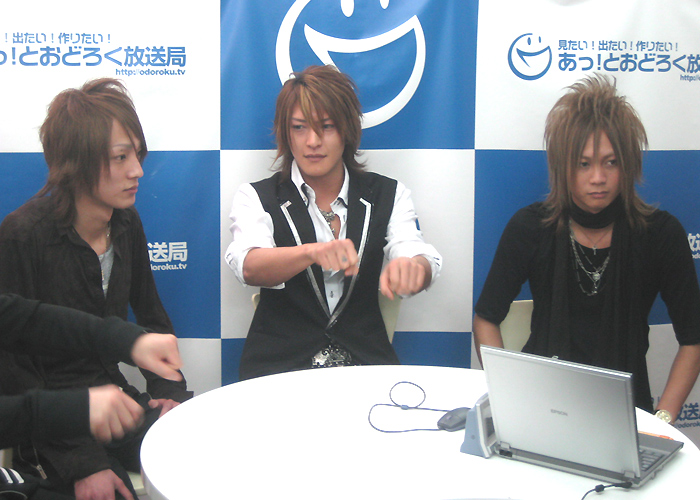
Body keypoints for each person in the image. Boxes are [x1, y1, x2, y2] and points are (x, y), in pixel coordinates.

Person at [0, 78, 192, 500]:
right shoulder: (22, 235)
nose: (137, 170)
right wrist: (84, 464)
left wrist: (169, 393)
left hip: (116, 402)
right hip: (50, 427)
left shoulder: (126, 222)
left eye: (136, 155)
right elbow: (15, 371)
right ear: (76, 163)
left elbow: (151, 316)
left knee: (201, 451)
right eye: (120, 157)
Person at [473, 74, 700, 424]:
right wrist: (509, 398)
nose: (598, 177)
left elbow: (693, 339)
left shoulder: (660, 234)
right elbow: (486, 318)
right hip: (540, 406)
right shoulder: (530, 227)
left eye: (611, 162)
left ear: (628, 163)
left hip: (627, 413)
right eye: (584, 163)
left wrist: (662, 421)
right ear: (562, 165)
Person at [225, 64, 442, 380]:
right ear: (286, 133)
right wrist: (312, 252)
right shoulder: (256, 196)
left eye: (326, 127)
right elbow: (248, 265)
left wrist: (415, 268)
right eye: (299, 127)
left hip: (366, 368)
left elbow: (413, 250)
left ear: (347, 130)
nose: (312, 141)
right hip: (278, 372)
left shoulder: (388, 194)